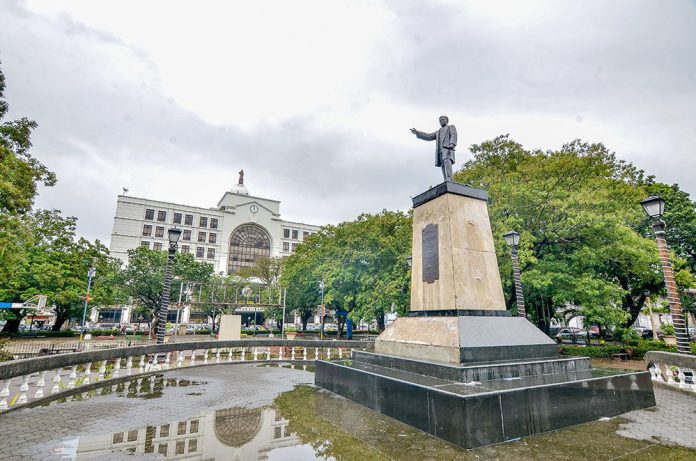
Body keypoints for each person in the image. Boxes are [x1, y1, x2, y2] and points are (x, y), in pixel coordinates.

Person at [411, 115, 458, 182]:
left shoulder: (451, 127)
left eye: (443, 119)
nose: (441, 121)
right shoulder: (438, 132)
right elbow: (429, 136)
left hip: (448, 149)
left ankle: (449, 178)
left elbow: (454, 134)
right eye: (440, 120)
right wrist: (418, 133)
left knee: (447, 161)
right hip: (440, 151)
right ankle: (445, 179)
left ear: (447, 120)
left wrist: (452, 144)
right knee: (442, 164)